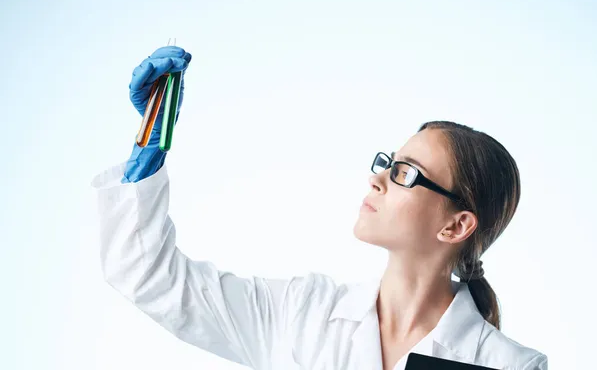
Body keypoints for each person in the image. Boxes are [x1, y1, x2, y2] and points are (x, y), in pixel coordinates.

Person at [90, 46, 548, 370]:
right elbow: (153, 279)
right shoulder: (300, 313)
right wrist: (146, 155)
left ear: (456, 225)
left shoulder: (511, 366)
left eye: (406, 173)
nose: (378, 178)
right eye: (389, 163)